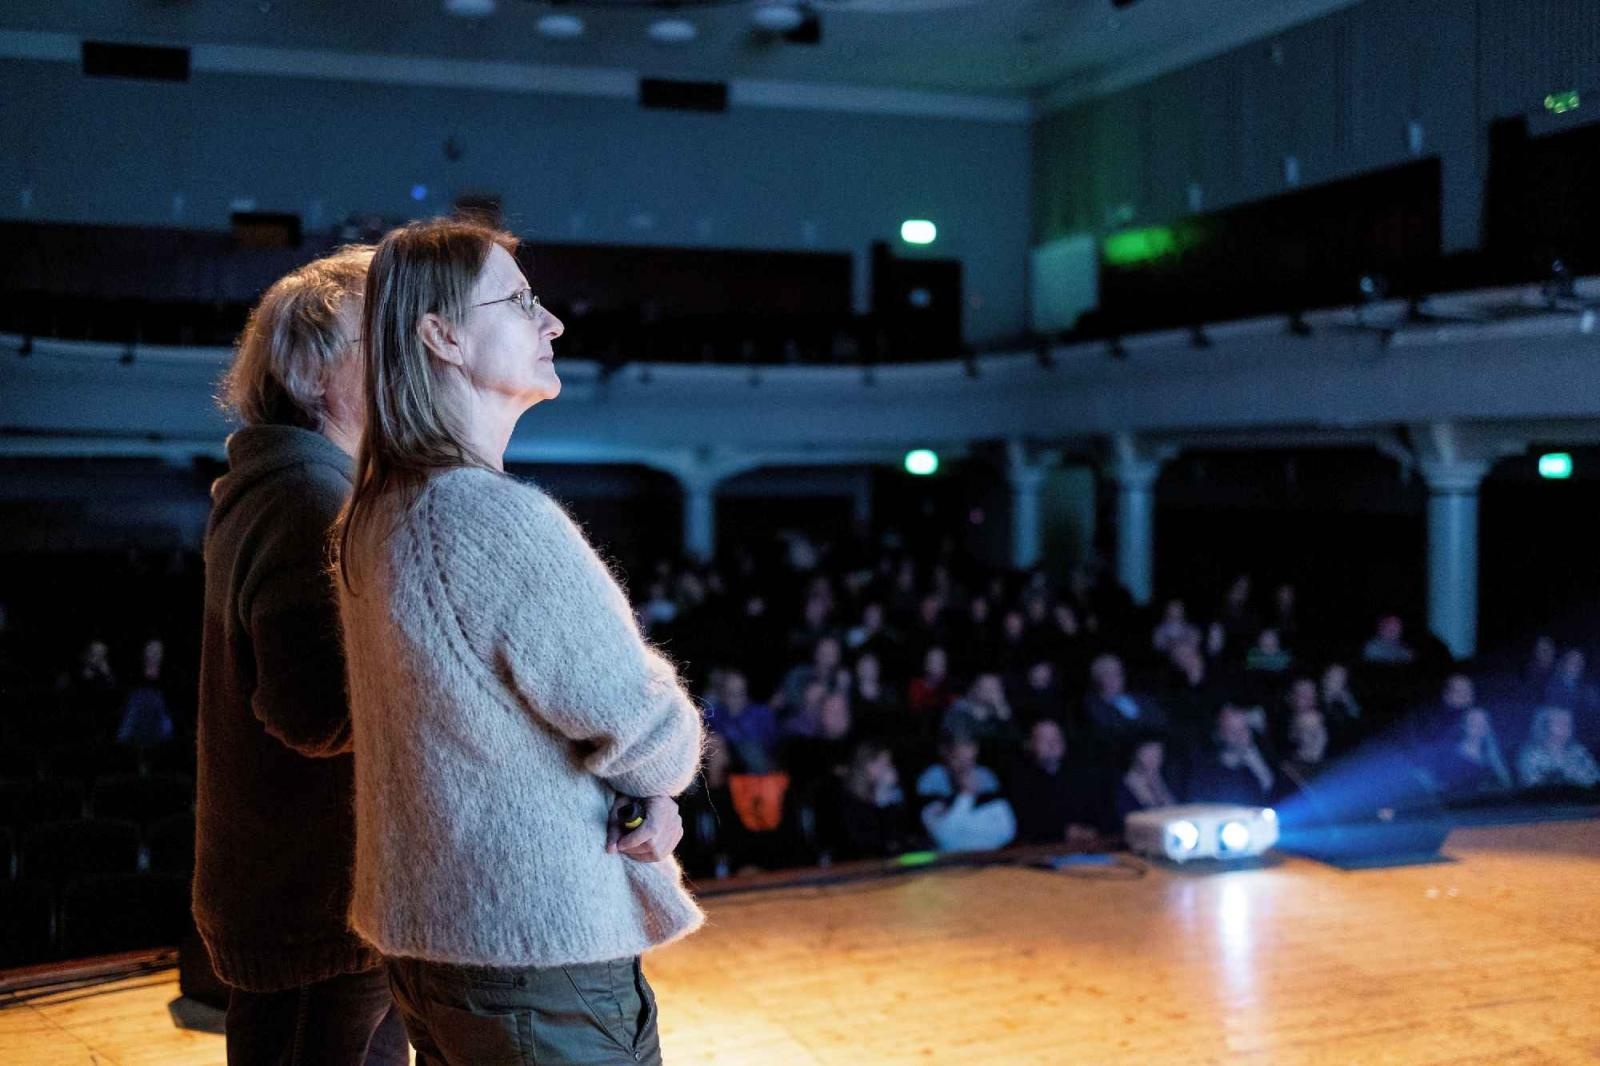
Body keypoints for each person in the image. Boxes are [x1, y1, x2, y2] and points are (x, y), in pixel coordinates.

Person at [334, 219, 703, 1065]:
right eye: (521, 301)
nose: (553, 323)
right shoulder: (490, 520)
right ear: (442, 336)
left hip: (438, 947)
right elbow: (648, 729)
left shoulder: (375, 516)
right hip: (533, 953)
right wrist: (658, 778)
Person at [194, 245, 408, 1066]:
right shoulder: (310, 499)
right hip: (316, 903)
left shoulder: (287, 485)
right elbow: (316, 715)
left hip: (314, 893)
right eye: (379, 345)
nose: (403, 366)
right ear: (314, 372)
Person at [915, 730, 1016, 852]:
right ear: (946, 754)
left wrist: (962, 826)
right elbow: (944, 835)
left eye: (970, 760)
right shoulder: (932, 780)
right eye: (958, 759)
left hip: (988, 856)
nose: (966, 767)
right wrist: (966, 796)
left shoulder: (986, 777)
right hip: (946, 859)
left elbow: (1006, 831)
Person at [1011, 719, 1103, 845]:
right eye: (1045, 739)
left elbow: (1097, 814)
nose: (1053, 743)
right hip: (1042, 849)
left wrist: (1089, 830)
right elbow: (1026, 823)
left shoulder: (1082, 777)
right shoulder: (1020, 782)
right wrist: (1062, 832)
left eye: (1057, 738)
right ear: (1030, 744)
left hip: (1086, 847)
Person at [1188, 703, 1276, 805]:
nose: (1243, 737)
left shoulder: (1262, 749)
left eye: (1244, 729)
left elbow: (1273, 785)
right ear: (1220, 734)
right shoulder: (1210, 768)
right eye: (1234, 732)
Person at [1430, 707, 1513, 798]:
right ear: (1464, 726)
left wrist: (1495, 757)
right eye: (1474, 722)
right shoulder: (1452, 756)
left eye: (1484, 721)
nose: (1480, 726)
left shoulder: (1493, 754)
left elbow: (1508, 784)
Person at [1516, 706, 1600, 790]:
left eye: (1569, 723)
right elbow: (1533, 787)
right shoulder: (1531, 756)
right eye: (1559, 722)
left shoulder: (1579, 752)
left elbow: (1596, 778)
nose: (1566, 727)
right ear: (1544, 726)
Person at [1114, 737, 1178, 821]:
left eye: (1158, 754)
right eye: (1149, 754)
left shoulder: (1168, 779)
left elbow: (1175, 810)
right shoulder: (1124, 785)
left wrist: (1159, 789)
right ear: (1136, 754)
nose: (1155, 759)